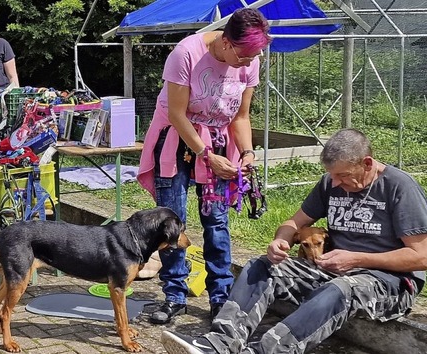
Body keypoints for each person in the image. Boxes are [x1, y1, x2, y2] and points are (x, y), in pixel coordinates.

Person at [161, 128, 427, 354]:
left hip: (388, 283)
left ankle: (267, 350)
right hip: (333, 269)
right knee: (261, 266)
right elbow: (292, 223)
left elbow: (421, 257)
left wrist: (358, 259)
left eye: (343, 176)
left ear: (367, 163)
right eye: (332, 175)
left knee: (342, 289)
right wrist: (280, 241)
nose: (335, 182)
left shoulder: (399, 188)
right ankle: (219, 344)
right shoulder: (330, 183)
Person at [136, 8, 271, 325]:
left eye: (254, 56)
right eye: (243, 55)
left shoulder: (250, 60)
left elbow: (240, 117)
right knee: (171, 222)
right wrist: (204, 154)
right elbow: (177, 115)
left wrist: (248, 153)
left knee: (217, 222)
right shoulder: (186, 53)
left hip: (218, 146)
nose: (247, 63)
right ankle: (174, 297)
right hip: (178, 140)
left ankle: (221, 298)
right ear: (225, 42)